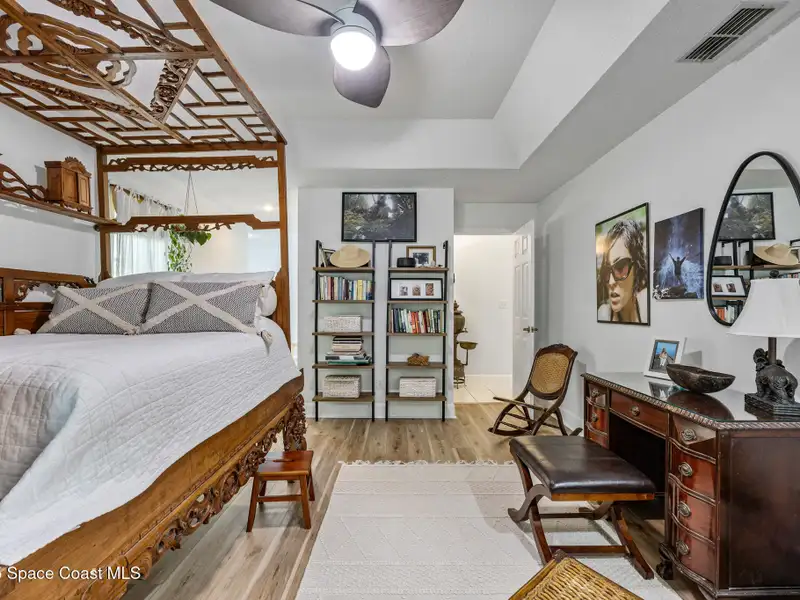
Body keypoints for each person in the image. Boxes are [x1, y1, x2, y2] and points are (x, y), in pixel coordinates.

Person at [597, 219, 648, 323]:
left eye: (620, 267)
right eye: (606, 271)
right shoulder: (604, 315)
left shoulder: (647, 304)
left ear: (636, 269)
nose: (611, 282)